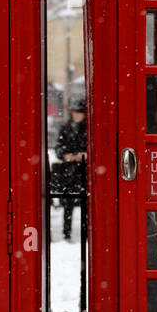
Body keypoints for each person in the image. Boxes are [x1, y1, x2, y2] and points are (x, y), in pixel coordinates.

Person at [55, 100, 87, 241]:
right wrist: (65, 155)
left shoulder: (88, 129)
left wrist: (86, 154)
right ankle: (66, 233)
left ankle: (86, 234)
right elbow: (58, 148)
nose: (76, 115)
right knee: (68, 204)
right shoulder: (66, 128)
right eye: (74, 112)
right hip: (68, 172)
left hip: (84, 172)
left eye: (79, 113)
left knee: (86, 204)